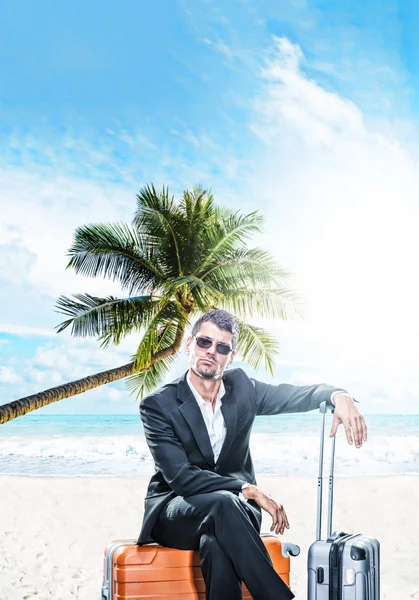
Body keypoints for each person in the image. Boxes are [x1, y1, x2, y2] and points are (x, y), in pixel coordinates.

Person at [137, 309, 367, 600]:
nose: (211, 352)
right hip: (176, 511)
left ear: (230, 357)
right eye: (204, 342)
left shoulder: (243, 387)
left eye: (222, 347)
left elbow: (296, 396)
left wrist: (338, 395)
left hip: (235, 513)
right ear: (189, 345)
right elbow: (182, 478)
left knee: (217, 544)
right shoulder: (159, 405)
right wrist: (248, 489)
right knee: (224, 503)